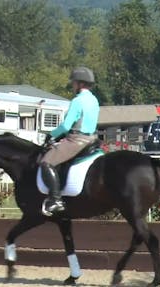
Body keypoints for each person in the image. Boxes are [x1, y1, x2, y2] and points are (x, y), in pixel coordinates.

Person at [40, 66, 100, 216]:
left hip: (77, 139)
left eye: (74, 83)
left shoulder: (77, 101)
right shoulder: (94, 100)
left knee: (46, 162)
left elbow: (66, 125)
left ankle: (55, 199)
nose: (72, 85)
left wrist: (51, 135)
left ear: (80, 84)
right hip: (92, 138)